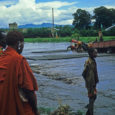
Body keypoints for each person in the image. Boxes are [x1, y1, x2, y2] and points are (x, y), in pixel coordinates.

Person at [0, 31, 39, 115]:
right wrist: (35, 110)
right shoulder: (19, 60)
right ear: (19, 43)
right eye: (23, 43)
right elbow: (29, 90)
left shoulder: (2, 57)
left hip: (4, 105)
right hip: (18, 108)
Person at [82, 48, 99, 115]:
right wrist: (88, 82)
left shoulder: (93, 61)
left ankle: (88, 110)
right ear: (91, 53)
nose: (96, 54)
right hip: (90, 83)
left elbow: (95, 72)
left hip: (94, 83)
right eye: (95, 53)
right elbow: (83, 74)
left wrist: (95, 81)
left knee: (94, 96)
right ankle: (90, 112)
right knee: (92, 97)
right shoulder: (88, 62)